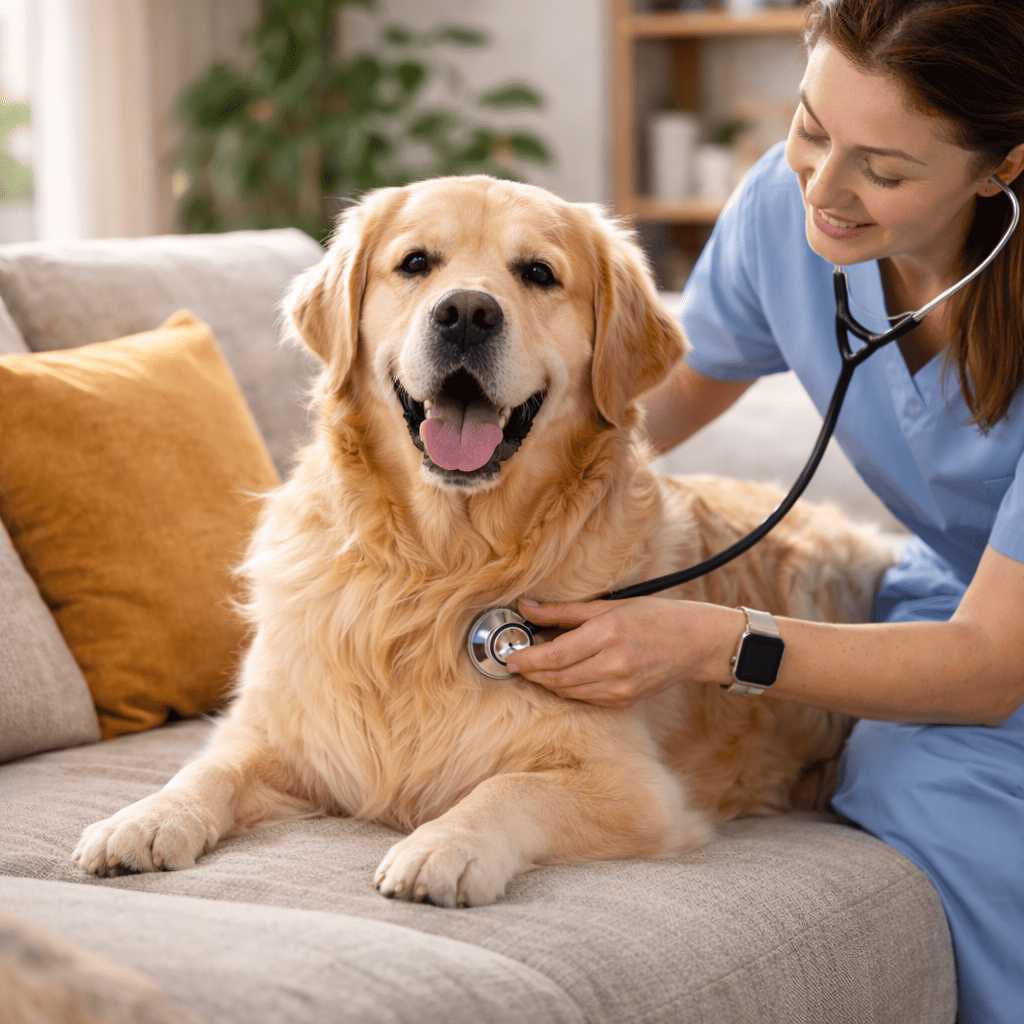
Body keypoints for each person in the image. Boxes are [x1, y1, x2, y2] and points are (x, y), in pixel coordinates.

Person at [504, 1, 1024, 1020]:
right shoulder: (781, 218)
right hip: (958, 590)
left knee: (908, 769)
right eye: (811, 127)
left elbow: (989, 665)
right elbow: (642, 413)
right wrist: (480, 495)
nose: (822, 190)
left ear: (1001, 169)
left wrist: (711, 640)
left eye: (883, 168)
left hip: (993, 636)